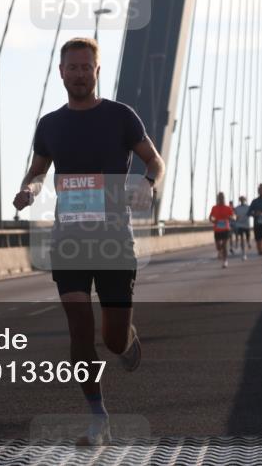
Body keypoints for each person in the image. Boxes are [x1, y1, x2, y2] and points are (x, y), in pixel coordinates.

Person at [13, 37, 165, 446]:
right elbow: (39, 170)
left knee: (112, 338)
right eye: (73, 67)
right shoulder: (50, 125)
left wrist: (147, 184)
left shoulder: (121, 117)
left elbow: (154, 159)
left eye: (87, 67)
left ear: (98, 71)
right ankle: (98, 417)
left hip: (114, 240)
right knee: (79, 329)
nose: (80, 74)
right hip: (70, 240)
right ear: (61, 72)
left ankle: (126, 338)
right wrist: (29, 191)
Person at [208, 192, 235, 268]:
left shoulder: (228, 208)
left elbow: (234, 216)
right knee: (218, 247)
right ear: (218, 198)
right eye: (219, 197)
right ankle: (220, 252)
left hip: (226, 229)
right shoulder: (214, 208)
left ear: (224, 198)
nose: (221, 199)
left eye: (222, 197)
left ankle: (225, 261)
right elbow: (210, 217)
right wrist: (213, 220)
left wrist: (231, 218)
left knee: (224, 245)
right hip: (217, 229)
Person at [233, 195, 251, 260]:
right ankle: (244, 254)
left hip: (246, 225)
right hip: (239, 225)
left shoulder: (248, 207)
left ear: (245, 200)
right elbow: (234, 215)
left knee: (247, 238)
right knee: (242, 239)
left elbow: (251, 213)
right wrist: (235, 218)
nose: (242, 201)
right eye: (241, 199)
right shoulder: (237, 208)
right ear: (239, 200)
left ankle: (248, 243)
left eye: (243, 199)